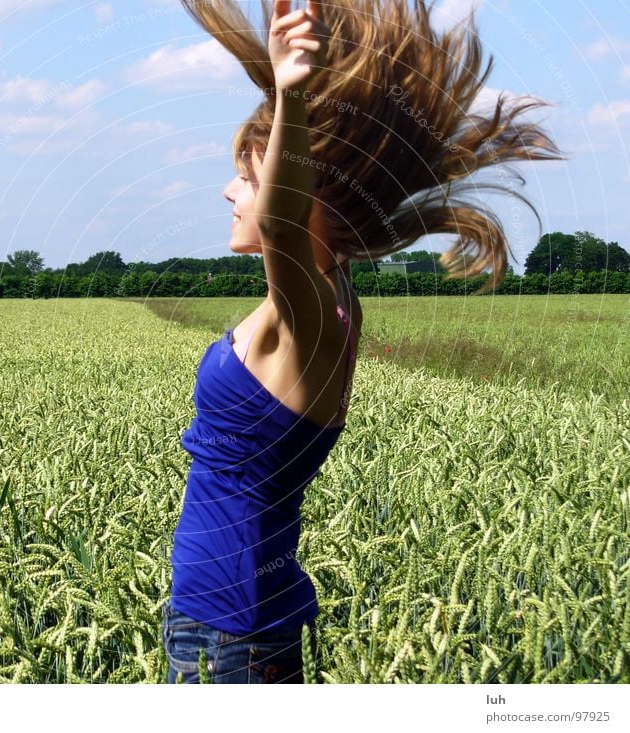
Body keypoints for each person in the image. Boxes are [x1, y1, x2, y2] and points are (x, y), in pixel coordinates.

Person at [162, 0, 565, 684]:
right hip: (235, 621)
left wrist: (291, 96)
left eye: (249, 175)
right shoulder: (329, 295)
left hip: (229, 635)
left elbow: (287, 225)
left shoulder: (312, 314)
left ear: (297, 191)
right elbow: (295, 220)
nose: (229, 190)